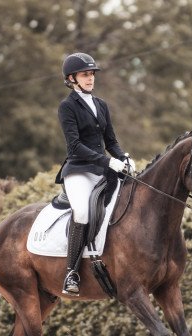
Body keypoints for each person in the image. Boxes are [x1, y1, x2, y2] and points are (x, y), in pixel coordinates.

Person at [55, 52, 135, 296]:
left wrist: (123, 158)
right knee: (81, 212)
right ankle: (72, 272)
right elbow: (75, 146)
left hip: (103, 168)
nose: (90, 79)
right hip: (78, 170)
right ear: (72, 78)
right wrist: (107, 161)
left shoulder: (101, 105)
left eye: (91, 74)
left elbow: (110, 140)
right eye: (85, 75)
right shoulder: (67, 107)